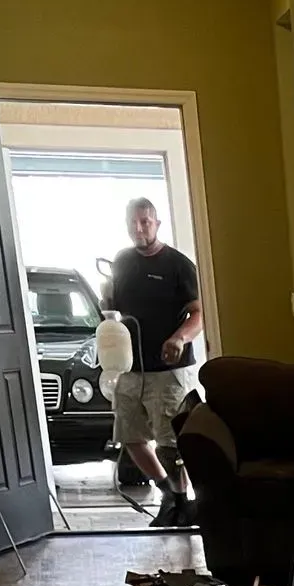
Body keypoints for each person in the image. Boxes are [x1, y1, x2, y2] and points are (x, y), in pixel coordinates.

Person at [103, 198, 203, 527]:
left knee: (170, 443)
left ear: (157, 224)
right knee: (130, 435)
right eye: (133, 222)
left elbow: (199, 312)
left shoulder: (178, 265)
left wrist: (179, 338)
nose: (139, 228)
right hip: (130, 368)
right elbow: (112, 309)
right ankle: (168, 495)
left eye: (145, 222)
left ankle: (184, 502)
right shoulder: (121, 262)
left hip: (169, 371)